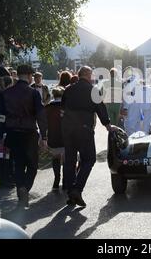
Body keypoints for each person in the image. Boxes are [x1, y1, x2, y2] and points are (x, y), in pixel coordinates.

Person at [0, 65, 48, 207]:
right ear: (29, 76)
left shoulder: (6, 94)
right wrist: (44, 136)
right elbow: (40, 116)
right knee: (32, 164)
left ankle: (20, 186)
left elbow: (0, 116)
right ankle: (25, 187)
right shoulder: (33, 93)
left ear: (18, 75)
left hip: (12, 132)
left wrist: (0, 133)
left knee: (17, 163)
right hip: (29, 132)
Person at [61, 66, 111, 207]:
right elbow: (101, 108)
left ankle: (72, 194)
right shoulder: (93, 90)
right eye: (92, 74)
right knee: (89, 159)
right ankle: (77, 189)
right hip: (84, 129)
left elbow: (63, 108)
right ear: (88, 75)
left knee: (70, 162)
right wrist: (107, 125)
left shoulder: (69, 89)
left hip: (68, 129)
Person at [45, 87, 66, 190]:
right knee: (67, 159)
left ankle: (56, 180)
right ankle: (66, 181)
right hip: (66, 137)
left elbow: (44, 123)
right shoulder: (67, 106)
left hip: (53, 136)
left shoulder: (47, 107)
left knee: (55, 158)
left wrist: (43, 137)